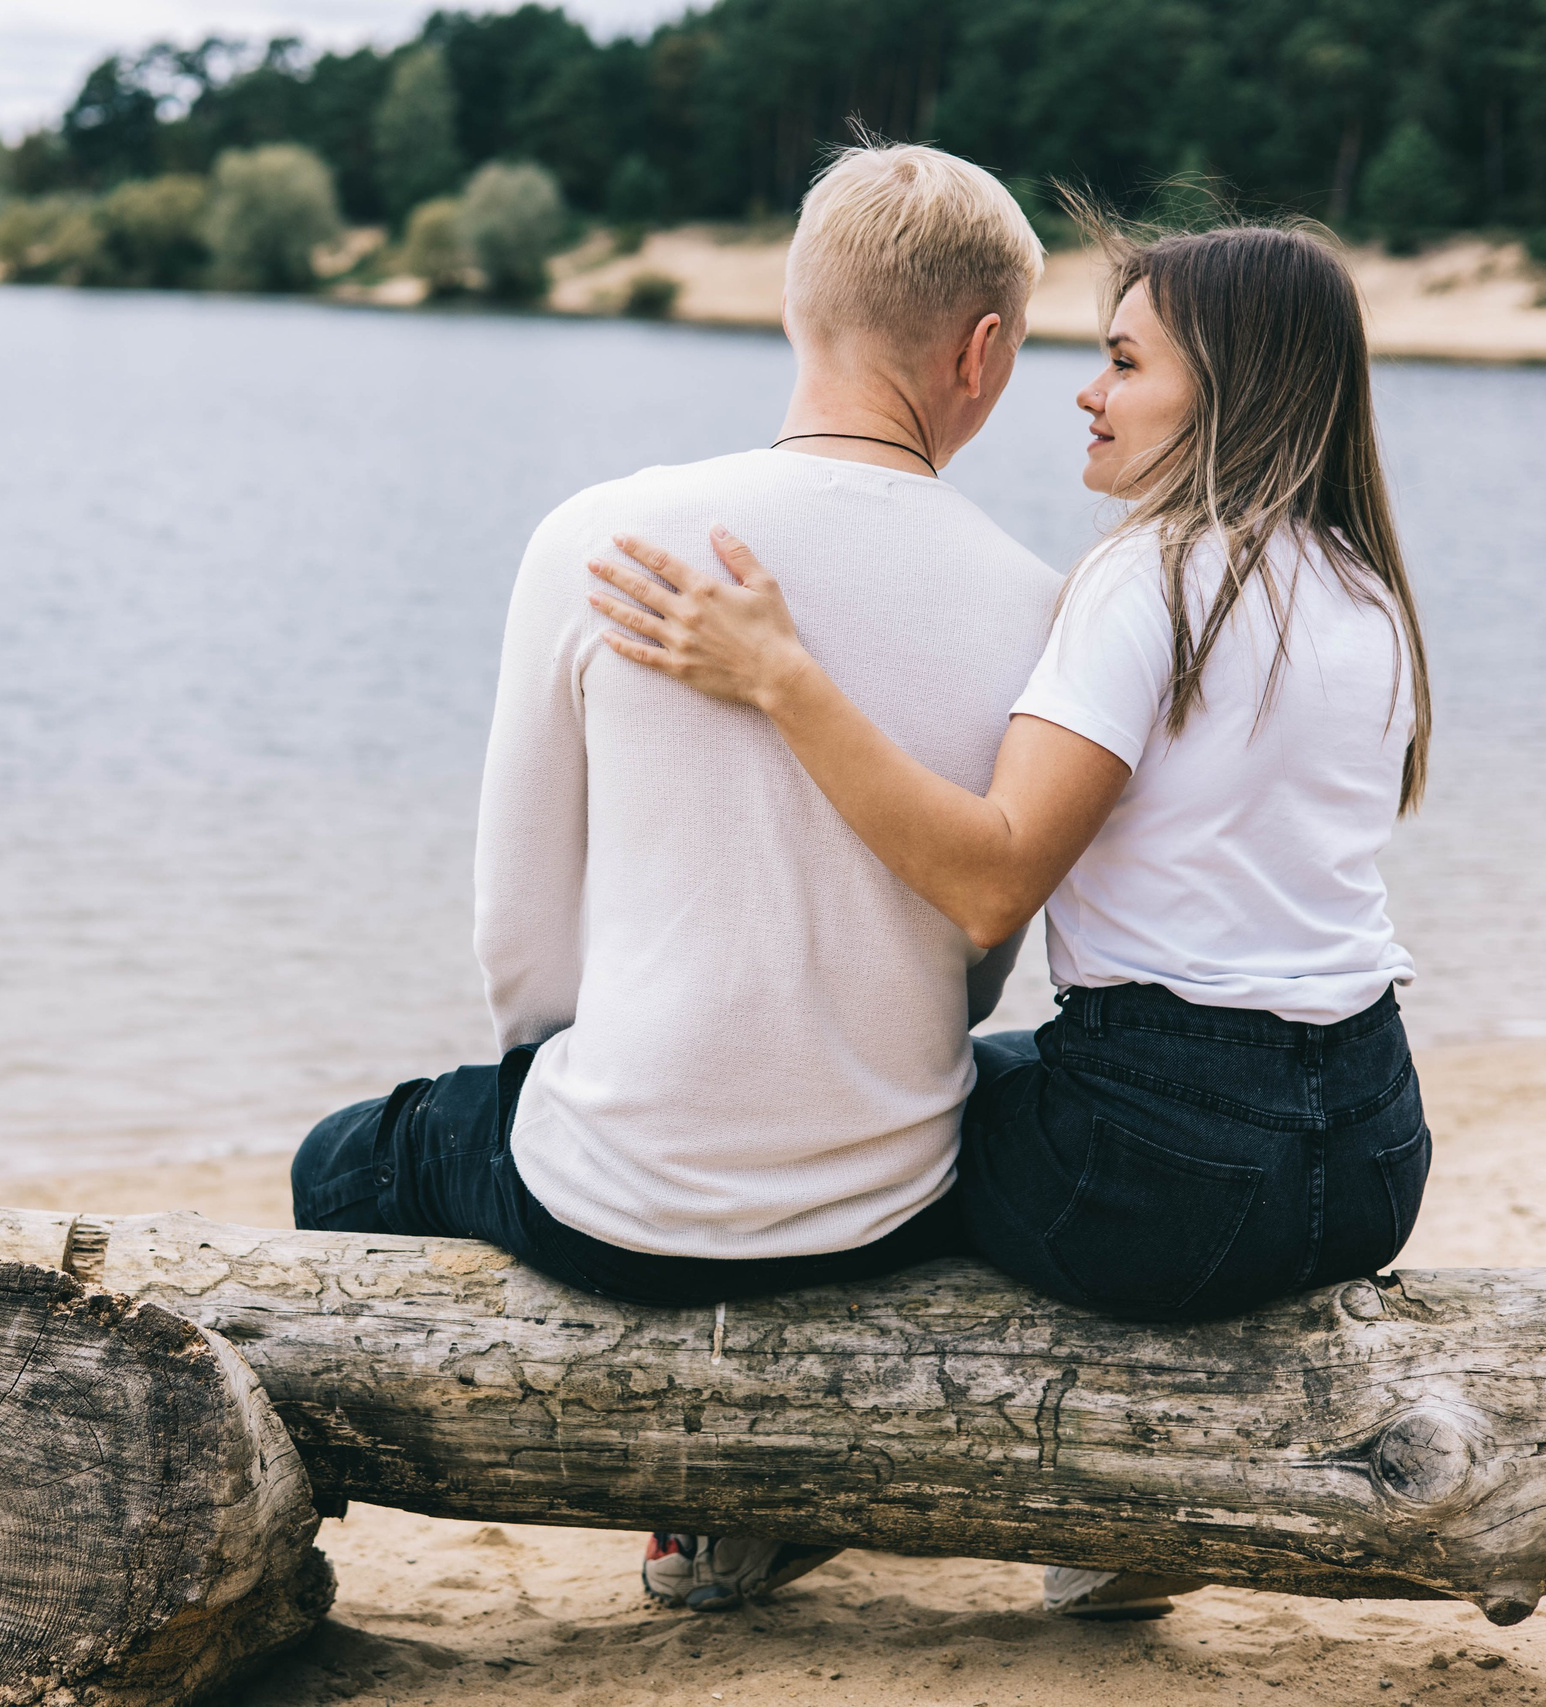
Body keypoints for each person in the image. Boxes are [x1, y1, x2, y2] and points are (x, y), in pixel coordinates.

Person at [587, 211, 1435, 1619]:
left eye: (1122, 361)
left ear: (1225, 387)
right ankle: (1127, 1524)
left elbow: (989, 876)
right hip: (1369, 1154)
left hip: (1173, 1170)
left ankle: (754, 1507)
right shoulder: (1363, 592)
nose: (1087, 394)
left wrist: (779, 678)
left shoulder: (1148, 578)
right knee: (1000, 1084)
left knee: (857, 1141)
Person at [290, 142, 1059, 1609]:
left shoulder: (601, 538)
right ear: (984, 351)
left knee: (344, 1161)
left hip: (622, 1208)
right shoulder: (1036, 602)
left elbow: (519, 934)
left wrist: (611, 1080)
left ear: (792, 306)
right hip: (887, 1203)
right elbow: (978, 949)